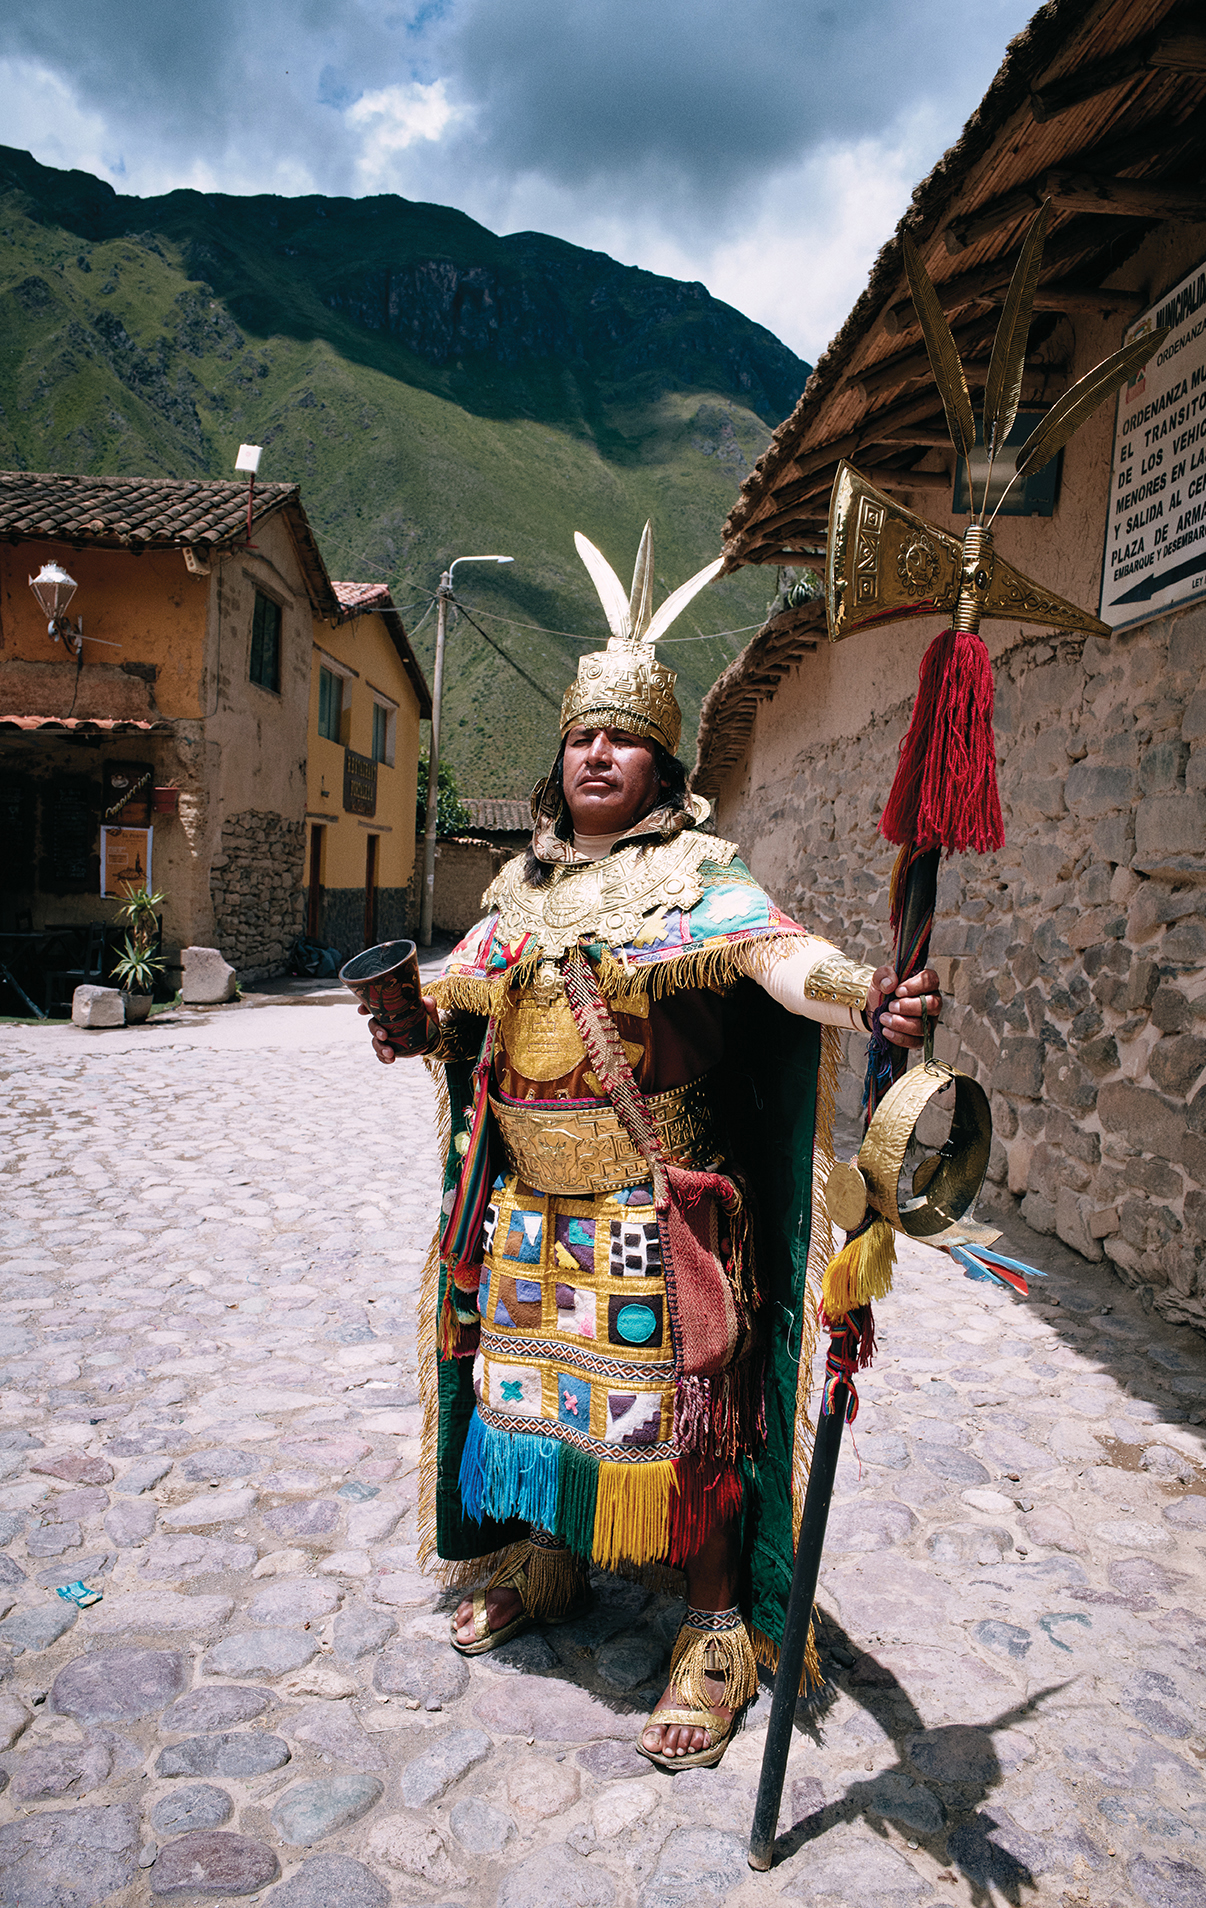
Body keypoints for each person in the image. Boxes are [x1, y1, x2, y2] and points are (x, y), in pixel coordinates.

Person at [363, 526, 938, 1770]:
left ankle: (715, 1629)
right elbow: (464, 1001)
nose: (596, 753)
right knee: (522, 1397)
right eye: (580, 735)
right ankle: (548, 1553)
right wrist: (414, 1020)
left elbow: (779, 959)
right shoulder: (516, 889)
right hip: (527, 1212)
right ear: (557, 754)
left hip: (648, 1206)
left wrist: (866, 991)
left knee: (691, 1423)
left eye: (620, 737)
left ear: (662, 756)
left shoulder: (696, 874)